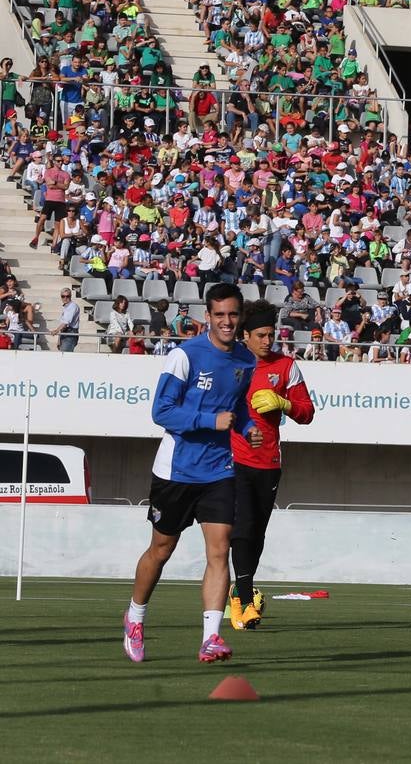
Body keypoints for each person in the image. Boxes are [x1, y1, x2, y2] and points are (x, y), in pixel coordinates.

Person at [123, 284, 256, 664]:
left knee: (219, 549)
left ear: (239, 315)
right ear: (208, 317)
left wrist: (246, 428)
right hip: (176, 469)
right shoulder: (185, 356)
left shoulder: (245, 361)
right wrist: (209, 420)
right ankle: (135, 616)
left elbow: (239, 410)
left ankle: (211, 637)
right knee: (161, 550)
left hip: (219, 470)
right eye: (219, 315)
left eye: (233, 314)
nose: (227, 322)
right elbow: (161, 413)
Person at [226, 301, 316, 631]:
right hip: (233, 460)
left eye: (272, 335)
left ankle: (241, 590)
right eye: (261, 335)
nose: (268, 341)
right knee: (242, 528)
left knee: (257, 534)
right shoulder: (231, 364)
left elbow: (307, 413)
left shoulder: (287, 366)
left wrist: (284, 403)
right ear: (245, 336)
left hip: (269, 463)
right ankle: (244, 601)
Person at [50, 287, 80, 352]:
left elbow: (66, 322)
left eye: (67, 296)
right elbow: (64, 325)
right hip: (65, 333)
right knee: (63, 356)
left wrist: (56, 330)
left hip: (70, 334)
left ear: (70, 296)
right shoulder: (66, 307)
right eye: (63, 296)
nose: (65, 298)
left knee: (66, 357)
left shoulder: (72, 306)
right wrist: (59, 339)